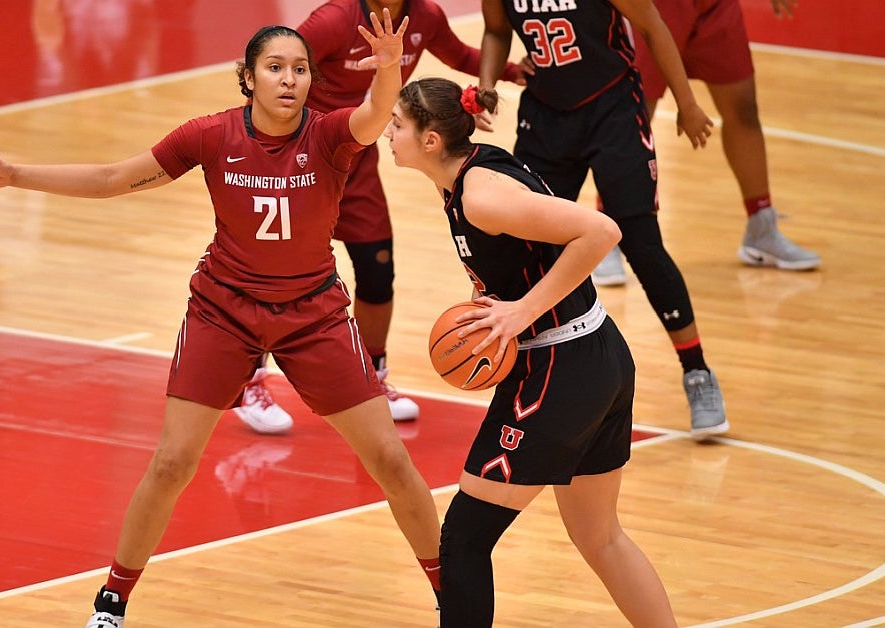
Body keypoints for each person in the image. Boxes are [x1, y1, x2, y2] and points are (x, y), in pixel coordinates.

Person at [0, 13, 445, 628]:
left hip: (312, 313)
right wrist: (14, 175)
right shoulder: (210, 136)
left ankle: (453, 595)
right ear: (248, 77)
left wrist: (389, 67)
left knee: (390, 460)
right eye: (275, 68)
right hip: (223, 311)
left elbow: (375, 111)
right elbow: (113, 178)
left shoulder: (331, 136)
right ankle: (111, 601)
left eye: (300, 69)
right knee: (172, 462)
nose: (289, 79)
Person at [386, 76, 678, 627]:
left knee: (464, 540)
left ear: (430, 140)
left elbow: (600, 231)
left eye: (397, 125)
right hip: (598, 357)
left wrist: (522, 310)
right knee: (600, 536)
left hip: (557, 370)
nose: (388, 134)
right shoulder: (473, 172)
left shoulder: (481, 195)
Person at [234, 0, 528, 435]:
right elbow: (270, 65)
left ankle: (371, 378)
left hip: (356, 162)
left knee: (377, 269)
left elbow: (460, 54)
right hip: (302, 158)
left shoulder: (425, 16)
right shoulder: (335, 19)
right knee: (276, 273)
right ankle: (250, 382)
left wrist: (513, 72)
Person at [477, 0, 730, 440]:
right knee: (522, 243)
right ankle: (526, 371)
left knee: (641, 244)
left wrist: (686, 103)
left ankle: (697, 372)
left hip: (613, 109)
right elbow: (496, 31)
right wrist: (486, 83)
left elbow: (653, 25)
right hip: (545, 117)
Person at [592, 0, 819, 286]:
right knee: (634, 116)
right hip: (654, 6)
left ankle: (761, 226)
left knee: (743, 107)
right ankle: (607, 231)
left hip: (714, 6)